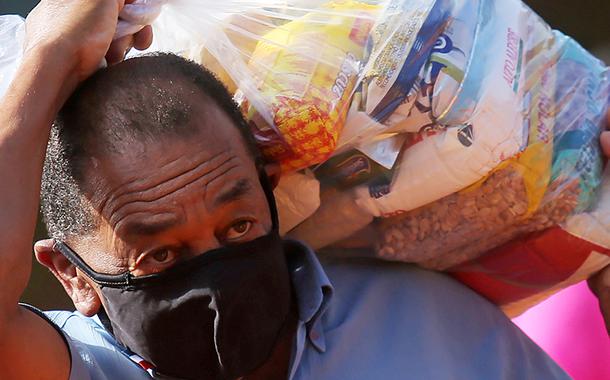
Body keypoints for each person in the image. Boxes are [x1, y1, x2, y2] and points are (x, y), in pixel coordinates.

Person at [0, 1, 608, 379]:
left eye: (237, 226)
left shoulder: (423, 316)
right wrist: (46, 58)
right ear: (73, 275)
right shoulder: (81, 368)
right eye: (158, 255)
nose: (216, 283)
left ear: (270, 194)